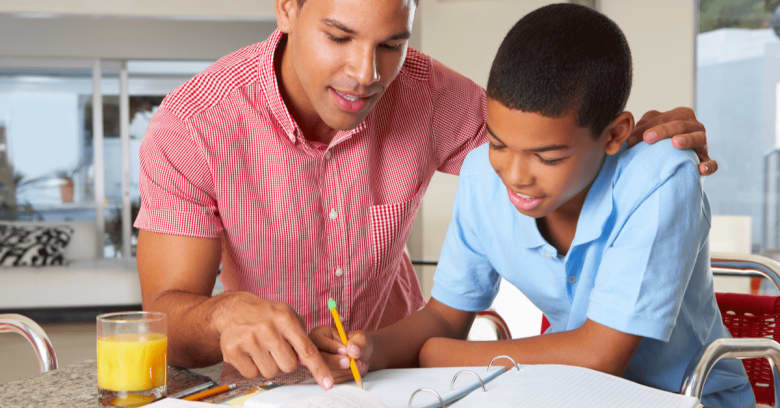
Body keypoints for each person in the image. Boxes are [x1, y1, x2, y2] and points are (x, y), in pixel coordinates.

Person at [136, 0, 719, 390]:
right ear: (287, 6)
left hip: (398, 383)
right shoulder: (193, 126)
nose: (367, 74)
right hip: (273, 389)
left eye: (391, 44)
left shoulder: (434, 98)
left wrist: (649, 146)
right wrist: (222, 315)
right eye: (339, 37)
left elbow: (548, 127)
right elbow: (164, 323)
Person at [310, 4, 753, 406]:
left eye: (548, 157)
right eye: (499, 143)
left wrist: (442, 355)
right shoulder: (483, 175)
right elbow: (445, 317)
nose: (516, 175)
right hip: (562, 394)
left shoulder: (659, 175)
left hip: (686, 398)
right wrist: (372, 350)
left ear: (615, 135)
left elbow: (600, 356)